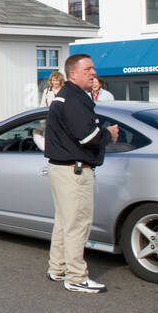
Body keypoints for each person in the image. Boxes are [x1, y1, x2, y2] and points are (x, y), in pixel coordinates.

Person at [45, 53, 119, 293]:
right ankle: (76, 276)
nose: (93, 73)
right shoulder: (74, 98)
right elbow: (87, 136)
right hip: (74, 170)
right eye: (88, 69)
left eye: (93, 69)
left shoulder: (63, 96)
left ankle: (58, 268)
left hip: (61, 168)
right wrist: (109, 134)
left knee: (64, 221)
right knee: (77, 224)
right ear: (73, 73)